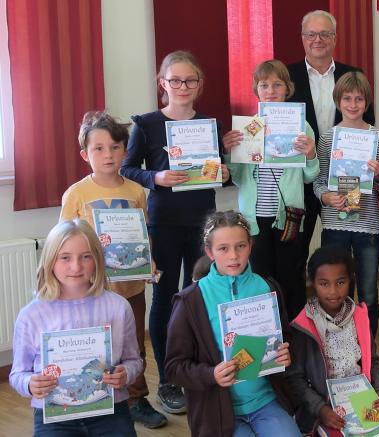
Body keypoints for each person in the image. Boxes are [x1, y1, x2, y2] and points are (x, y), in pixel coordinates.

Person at [121, 50, 227, 415]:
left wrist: (223, 173)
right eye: (175, 80)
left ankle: (200, 370)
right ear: (162, 83)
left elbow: (218, 167)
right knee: (166, 298)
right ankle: (168, 378)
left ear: (199, 84)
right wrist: (156, 178)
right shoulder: (146, 124)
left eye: (190, 80)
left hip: (203, 223)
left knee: (199, 293)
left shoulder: (209, 124)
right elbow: (128, 168)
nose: (183, 86)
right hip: (163, 222)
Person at [59, 111, 167, 428]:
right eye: (99, 148)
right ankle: (94, 399)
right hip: (91, 291)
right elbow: (63, 244)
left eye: (115, 147)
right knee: (95, 348)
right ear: (85, 154)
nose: (108, 155)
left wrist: (150, 259)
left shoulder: (135, 190)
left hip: (130, 289)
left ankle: (136, 399)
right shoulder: (77, 194)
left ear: (125, 150)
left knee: (132, 344)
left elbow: (143, 233)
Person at [164, 211, 297, 437]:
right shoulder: (191, 300)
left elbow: (285, 337)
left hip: (265, 400)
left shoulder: (268, 287)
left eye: (240, 246)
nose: (233, 256)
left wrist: (286, 354)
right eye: (223, 248)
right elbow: (174, 368)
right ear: (210, 252)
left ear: (250, 246)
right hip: (217, 409)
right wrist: (211, 374)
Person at [9, 220, 142, 436]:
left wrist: (126, 373)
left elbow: (134, 360)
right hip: (54, 416)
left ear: (98, 259)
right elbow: (17, 374)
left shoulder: (118, 307)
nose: (76, 266)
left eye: (86, 256)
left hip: (110, 409)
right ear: (50, 260)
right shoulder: (31, 315)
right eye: (65, 258)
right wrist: (30, 384)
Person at [222, 59, 319, 320]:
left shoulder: (302, 125)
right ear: (257, 90)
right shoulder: (248, 127)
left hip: (288, 218)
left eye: (277, 84)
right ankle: (265, 335)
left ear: (288, 88)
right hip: (254, 221)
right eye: (264, 85)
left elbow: (310, 176)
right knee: (259, 281)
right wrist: (230, 154)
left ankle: (295, 339)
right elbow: (240, 178)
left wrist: (310, 154)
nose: (271, 90)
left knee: (290, 280)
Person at [284, 247, 379, 437]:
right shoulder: (303, 326)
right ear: (313, 283)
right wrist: (321, 409)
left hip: (362, 400)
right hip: (327, 406)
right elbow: (295, 379)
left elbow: (372, 361)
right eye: (324, 284)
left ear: (350, 280)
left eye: (340, 282)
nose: (333, 291)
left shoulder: (359, 316)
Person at [287, 9, 375, 254]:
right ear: (303, 38)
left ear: (335, 38)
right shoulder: (286, 76)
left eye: (325, 34)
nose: (318, 40)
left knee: (341, 252)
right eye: (311, 34)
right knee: (295, 250)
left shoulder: (353, 75)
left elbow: (367, 122)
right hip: (299, 176)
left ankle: (341, 294)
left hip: (345, 178)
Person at [314, 72, 379, 336]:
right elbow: (319, 180)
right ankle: (337, 343)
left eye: (359, 99)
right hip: (335, 224)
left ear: (366, 102)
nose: (353, 104)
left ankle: (369, 349)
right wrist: (326, 196)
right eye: (347, 98)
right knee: (336, 288)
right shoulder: (327, 138)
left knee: (368, 290)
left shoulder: (377, 137)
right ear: (338, 101)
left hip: (367, 225)